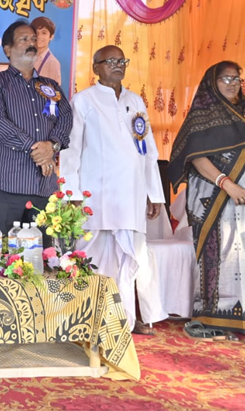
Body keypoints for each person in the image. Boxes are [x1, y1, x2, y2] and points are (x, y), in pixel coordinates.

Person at [168, 61, 245, 340]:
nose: (233, 84)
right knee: (217, 251)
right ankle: (211, 316)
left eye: (237, 79)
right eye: (226, 79)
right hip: (213, 195)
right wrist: (227, 184)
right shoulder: (200, 116)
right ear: (211, 82)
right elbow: (195, 157)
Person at [61, 45, 165, 335]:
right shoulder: (83, 100)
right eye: (111, 61)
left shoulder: (135, 101)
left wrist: (154, 193)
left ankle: (126, 318)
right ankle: (88, 318)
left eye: (122, 61)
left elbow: (148, 151)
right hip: (97, 194)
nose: (118, 65)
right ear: (96, 67)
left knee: (129, 258)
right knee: (93, 256)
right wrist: (72, 193)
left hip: (131, 194)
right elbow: (71, 151)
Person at [0, 20, 72, 239]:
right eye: (24, 39)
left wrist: (52, 145)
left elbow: (66, 117)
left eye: (34, 39)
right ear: (8, 50)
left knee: (44, 253)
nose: (32, 43)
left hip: (44, 188)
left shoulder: (50, 86)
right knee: (3, 253)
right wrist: (36, 149)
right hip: (8, 185)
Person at [30, 16, 61, 85]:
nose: (39, 36)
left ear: (51, 37)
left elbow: (54, 90)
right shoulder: (27, 58)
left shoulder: (52, 63)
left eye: (44, 33)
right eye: (36, 32)